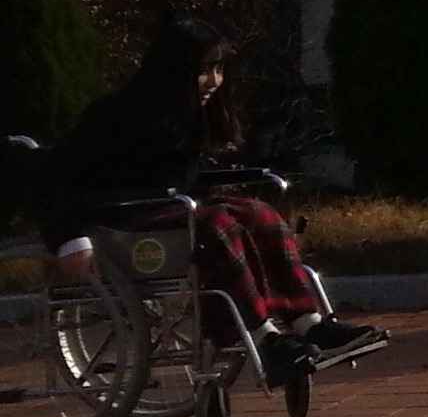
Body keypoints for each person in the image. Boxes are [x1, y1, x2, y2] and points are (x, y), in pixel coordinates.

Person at [33, 19, 383, 383]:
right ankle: (264, 338)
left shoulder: (187, 114)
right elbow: (49, 175)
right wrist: (68, 239)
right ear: (173, 69)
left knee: (260, 214)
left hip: (169, 209)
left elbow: (184, 180)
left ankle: (309, 323)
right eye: (204, 70)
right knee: (215, 225)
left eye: (219, 69)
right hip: (119, 219)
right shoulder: (113, 114)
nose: (214, 81)